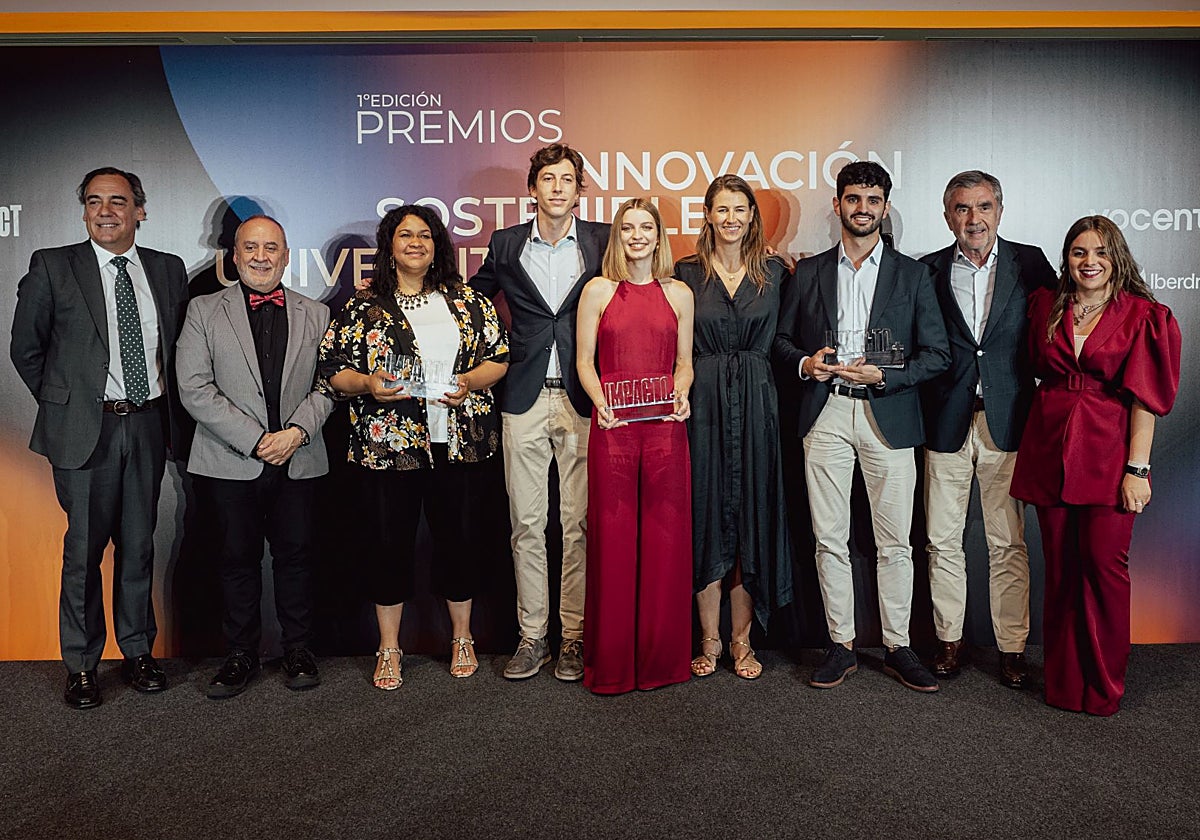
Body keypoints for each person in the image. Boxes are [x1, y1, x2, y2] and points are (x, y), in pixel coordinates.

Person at [10, 167, 189, 709]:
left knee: (138, 547)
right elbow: (27, 349)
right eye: (94, 201)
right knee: (84, 551)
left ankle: (137, 652)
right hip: (85, 431)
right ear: (84, 210)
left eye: (118, 201)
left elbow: (176, 352)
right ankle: (83, 665)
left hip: (149, 424)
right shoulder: (53, 265)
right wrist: (68, 405)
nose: (105, 210)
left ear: (140, 209)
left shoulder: (166, 269)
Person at [773, 160, 950, 693]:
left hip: (888, 414)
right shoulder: (808, 272)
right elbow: (782, 345)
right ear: (838, 205)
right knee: (829, 538)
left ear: (884, 207)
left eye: (873, 200)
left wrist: (887, 375)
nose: (863, 209)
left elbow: (937, 354)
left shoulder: (914, 274)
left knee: (895, 541)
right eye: (854, 199)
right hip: (824, 412)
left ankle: (898, 646)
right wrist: (808, 363)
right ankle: (840, 644)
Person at [321, 204, 509, 689]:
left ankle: (462, 638)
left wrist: (468, 380)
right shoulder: (364, 306)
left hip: (459, 443)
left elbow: (499, 358)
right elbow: (332, 368)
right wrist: (367, 383)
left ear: (437, 245)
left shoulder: (467, 300)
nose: (415, 243)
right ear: (389, 246)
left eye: (424, 235)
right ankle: (389, 647)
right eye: (405, 235)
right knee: (387, 546)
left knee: (460, 543)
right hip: (389, 446)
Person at [1011, 216, 1180, 716]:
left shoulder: (1145, 315)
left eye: (1101, 252)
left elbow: (1145, 400)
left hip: (1110, 455)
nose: (1090, 262)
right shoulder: (1044, 305)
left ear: (1117, 258)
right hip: (1050, 449)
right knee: (1060, 572)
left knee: (1105, 573)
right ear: (1067, 257)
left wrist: (1139, 469)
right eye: (1080, 252)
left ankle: (1103, 688)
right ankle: (1065, 685)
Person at [176, 215, 334, 698]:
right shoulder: (203, 310)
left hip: (299, 457)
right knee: (235, 560)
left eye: (271, 248)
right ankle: (240, 654)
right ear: (235, 255)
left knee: (298, 559)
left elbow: (330, 384)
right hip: (228, 459)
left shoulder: (318, 313)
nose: (261, 257)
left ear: (286, 256)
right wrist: (257, 439)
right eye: (251, 248)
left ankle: (298, 649)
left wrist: (297, 431)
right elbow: (194, 387)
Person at [470, 144, 610, 681]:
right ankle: (533, 637)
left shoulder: (602, 240)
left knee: (577, 525)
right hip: (523, 398)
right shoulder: (506, 243)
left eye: (567, 179)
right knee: (526, 524)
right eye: (547, 178)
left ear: (580, 191)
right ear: (532, 189)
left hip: (584, 397)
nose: (557, 187)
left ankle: (572, 637)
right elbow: (474, 300)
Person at [918, 171, 1056, 688]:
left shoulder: (1032, 262)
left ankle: (1012, 648)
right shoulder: (926, 269)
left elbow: (1069, 317)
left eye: (983, 207)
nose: (973, 219)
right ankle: (948, 641)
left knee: (1008, 543)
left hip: (1009, 419)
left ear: (1000, 210)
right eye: (961, 208)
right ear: (946, 214)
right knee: (941, 541)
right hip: (946, 420)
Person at [674, 175, 793, 680]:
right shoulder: (683, 273)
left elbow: (789, 338)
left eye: (739, 209)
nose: (731, 219)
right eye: (721, 209)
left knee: (751, 514)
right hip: (701, 404)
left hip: (759, 400)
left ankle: (743, 642)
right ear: (707, 214)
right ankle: (709, 639)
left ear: (751, 216)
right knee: (704, 514)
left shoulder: (776, 271)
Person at [575, 197, 694, 694]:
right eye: (629, 228)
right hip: (615, 432)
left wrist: (683, 390)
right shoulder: (598, 291)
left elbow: (684, 362)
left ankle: (662, 662)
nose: (637, 235)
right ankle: (615, 665)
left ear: (659, 235)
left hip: (666, 429)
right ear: (618, 236)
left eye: (647, 227)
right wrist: (601, 402)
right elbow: (584, 361)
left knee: (666, 544)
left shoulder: (680, 293)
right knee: (615, 543)